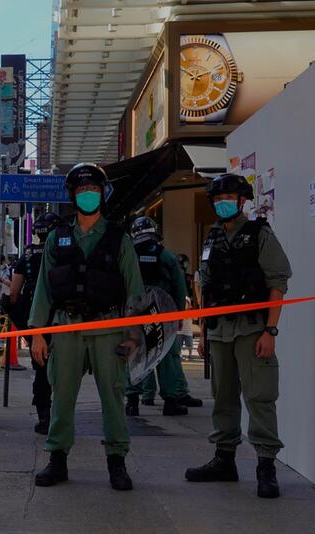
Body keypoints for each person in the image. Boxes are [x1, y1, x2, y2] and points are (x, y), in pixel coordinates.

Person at [28, 163, 143, 492]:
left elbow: (135, 289)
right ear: (72, 196)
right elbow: (43, 291)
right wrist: (38, 332)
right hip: (66, 330)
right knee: (61, 397)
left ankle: (117, 462)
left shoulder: (119, 238)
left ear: (102, 194)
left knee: (113, 397)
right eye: (81, 191)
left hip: (108, 329)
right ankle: (57, 459)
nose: (87, 196)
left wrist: (134, 335)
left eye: (93, 190)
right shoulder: (57, 238)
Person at [185, 173, 292, 499]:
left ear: (242, 200)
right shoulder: (211, 240)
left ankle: (265, 465)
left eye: (229, 197)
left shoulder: (259, 233)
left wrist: (270, 330)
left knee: (260, 396)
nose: (223, 203)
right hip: (218, 332)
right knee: (223, 397)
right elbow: (204, 288)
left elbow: (277, 282)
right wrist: (203, 332)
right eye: (217, 199)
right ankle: (224, 459)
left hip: (251, 330)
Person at [124, 216, 201, 417]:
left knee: (134, 356)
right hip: (163, 314)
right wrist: (178, 315)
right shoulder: (166, 256)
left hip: (136, 315)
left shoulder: (129, 254)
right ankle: (170, 401)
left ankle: (132, 401)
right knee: (166, 356)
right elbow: (178, 285)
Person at [8, 212, 63, 435]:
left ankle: (44, 416)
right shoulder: (64, 252)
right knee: (63, 368)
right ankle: (61, 415)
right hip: (62, 318)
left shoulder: (28, 255)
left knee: (40, 368)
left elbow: (13, 293)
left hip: (35, 321)